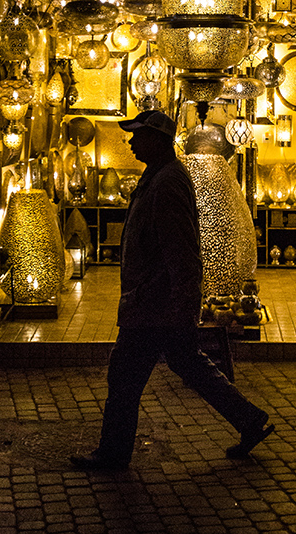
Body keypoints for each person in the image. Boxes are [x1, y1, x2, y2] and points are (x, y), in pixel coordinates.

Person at [70, 109, 274, 471]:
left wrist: (184, 304)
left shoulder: (166, 183)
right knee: (189, 365)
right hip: (156, 301)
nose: (131, 142)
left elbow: (182, 250)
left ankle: (113, 452)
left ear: (157, 140)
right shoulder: (159, 176)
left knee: (124, 376)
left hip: (155, 305)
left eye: (137, 135)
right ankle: (250, 420)